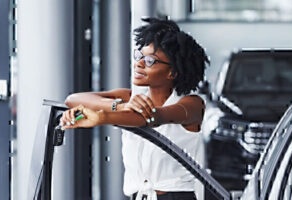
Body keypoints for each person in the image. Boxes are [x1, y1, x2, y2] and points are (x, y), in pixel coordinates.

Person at [60, 17, 209, 200]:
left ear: (173, 72)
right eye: (138, 56)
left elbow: (151, 118)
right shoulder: (130, 98)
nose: (138, 63)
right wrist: (118, 106)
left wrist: (103, 117)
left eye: (149, 60)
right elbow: (73, 99)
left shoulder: (191, 104)